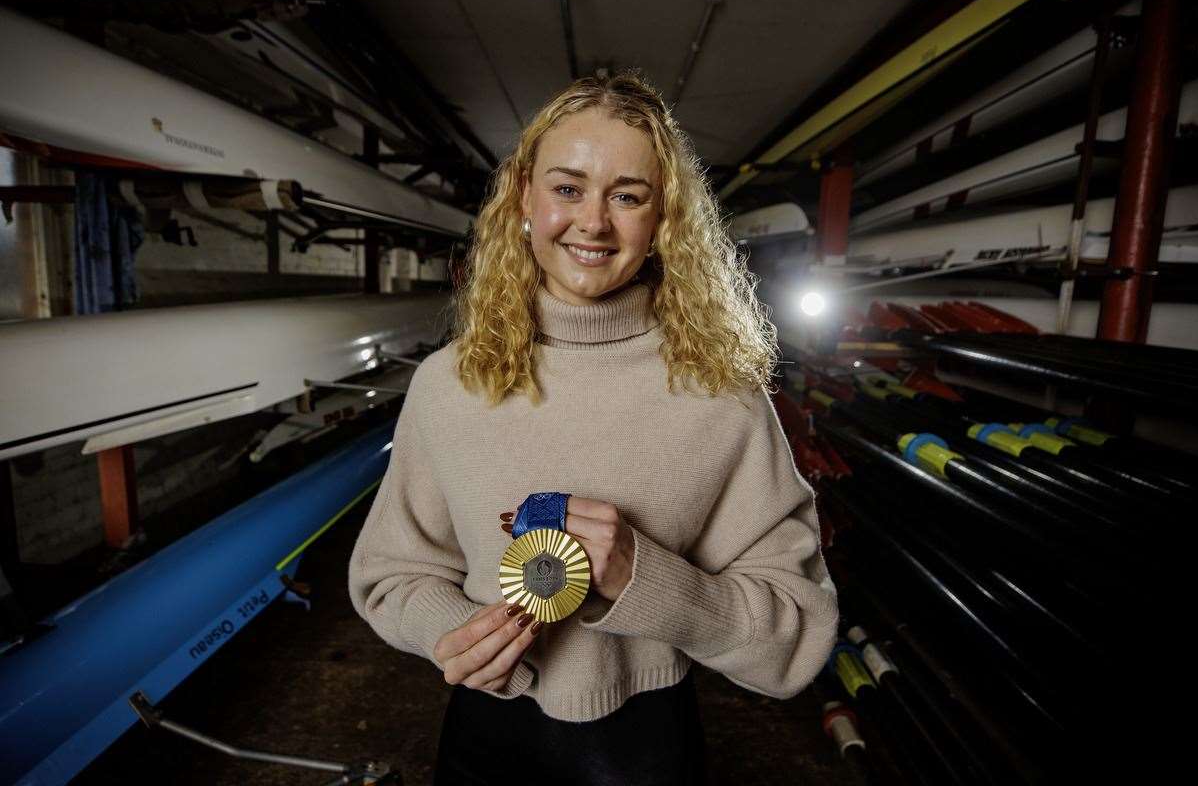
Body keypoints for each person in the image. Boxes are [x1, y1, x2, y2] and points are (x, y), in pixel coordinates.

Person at [348, 69, 838, 785]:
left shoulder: (722, 395)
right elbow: (392, 571)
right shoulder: (450, 384)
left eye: (628, 196)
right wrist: (447, 630)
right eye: (568, 188)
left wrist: (649, 577)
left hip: (647, 745)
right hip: (484, 733)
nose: (594, 222)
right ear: (524, 198)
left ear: (663, 218)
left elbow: (795, 631)